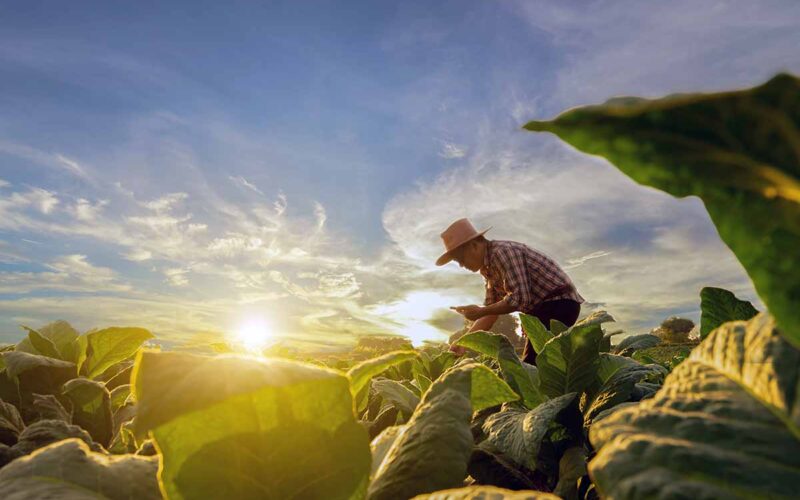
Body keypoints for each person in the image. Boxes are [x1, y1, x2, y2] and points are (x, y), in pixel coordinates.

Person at [436, 218, 584, 364]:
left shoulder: (503, 252)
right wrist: (464, 342)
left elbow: (519, 299)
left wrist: (480, 311)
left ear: (474, 245)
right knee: (544, 365)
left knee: (532, 367)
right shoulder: (488, 270)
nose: (462, 265)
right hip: (542, 310)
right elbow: (490, 313)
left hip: (559, 303)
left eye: (461, 259)